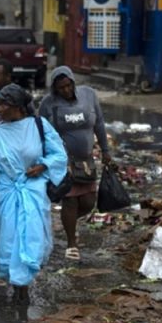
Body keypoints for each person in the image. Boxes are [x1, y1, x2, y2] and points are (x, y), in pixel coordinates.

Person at [0, 84, 68, 303]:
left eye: (4, 104)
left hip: (32, 194)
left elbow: (59, 155)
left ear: (18, 107)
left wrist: (43, 166)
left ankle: (23, 286)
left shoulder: (39, 126)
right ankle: (17, 287)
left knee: (31, 239)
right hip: (7, 197)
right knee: (8, 241)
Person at [38, 66, 111, 260]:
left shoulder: (89, 95)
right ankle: (72, 243)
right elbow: (41, 132)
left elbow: (100, 124)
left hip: (86, 161)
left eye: (68, 85)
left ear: (73, 82)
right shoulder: (48, 103)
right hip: (63, 161)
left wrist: (105, 150)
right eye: (61, 88)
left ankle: (68, 223)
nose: (66, 90)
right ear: (55, 88)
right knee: (69, 200)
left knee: (88, 201)